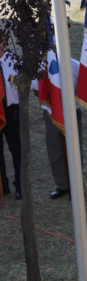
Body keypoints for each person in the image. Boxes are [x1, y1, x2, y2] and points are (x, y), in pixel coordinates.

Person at [32, 58, 83, 199]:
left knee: (75, 147)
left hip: (72, 111)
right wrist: (52, 92)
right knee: (55, 148)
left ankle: (77, 184)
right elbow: (36, 91)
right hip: (51, 112)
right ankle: (62, 186)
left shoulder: (75, 65)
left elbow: (84, 89)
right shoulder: (41, 66)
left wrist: (66, 94)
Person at [0, 38, 22, 200]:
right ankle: (2, 185)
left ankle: (20, 185)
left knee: (17, 150)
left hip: (12, 110)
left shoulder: (13, 60)